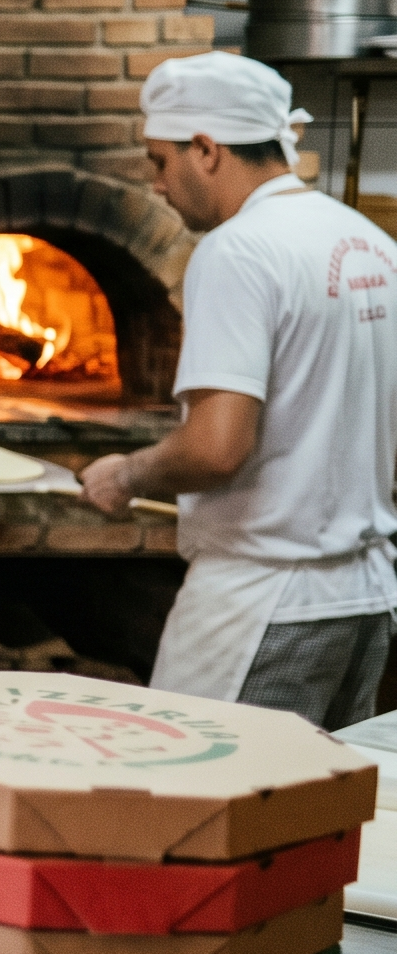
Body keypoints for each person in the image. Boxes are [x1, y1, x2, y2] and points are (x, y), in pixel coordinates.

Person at [81, 52, 397, 730]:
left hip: (266, 602)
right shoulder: (369, 243)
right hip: (366, 598)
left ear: (206, 148)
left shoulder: (240, 251)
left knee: (196, 810)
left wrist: (127, 473)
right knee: (320, 821)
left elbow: (218, 446)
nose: (157, 184)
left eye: (160, 160)